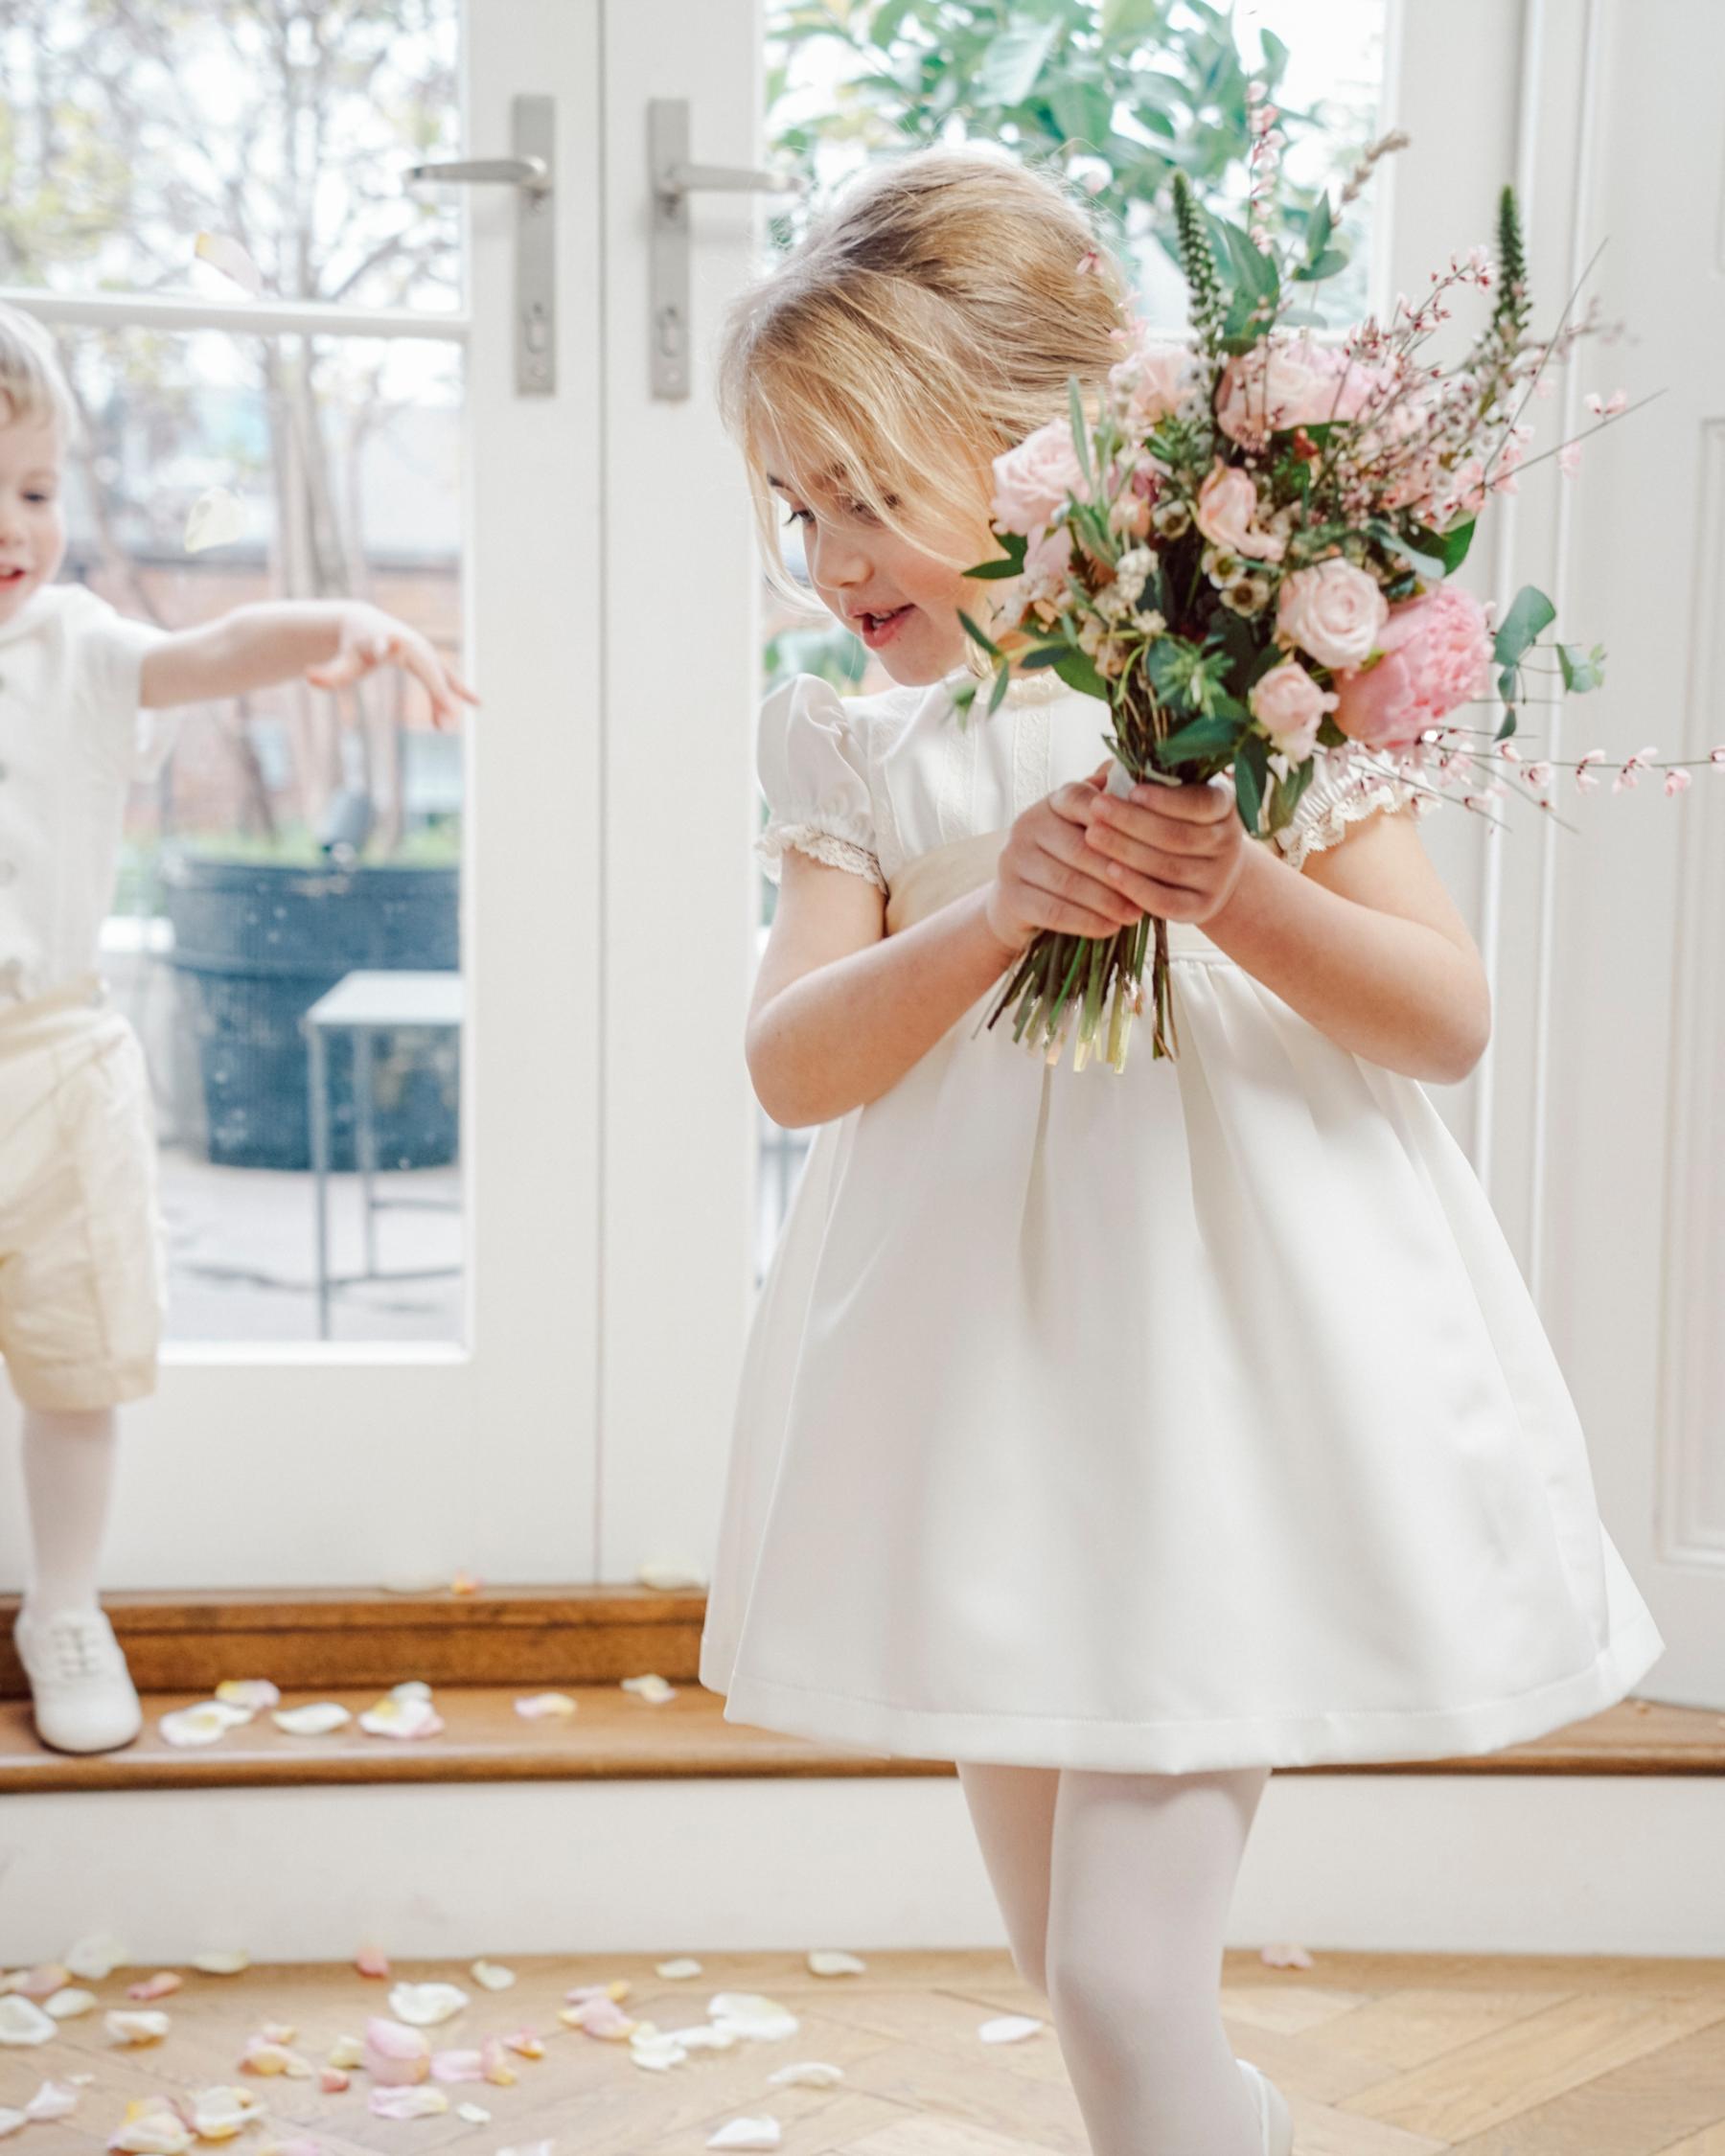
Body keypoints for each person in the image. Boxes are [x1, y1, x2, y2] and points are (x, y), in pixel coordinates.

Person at [696, 147, 1666, 2156]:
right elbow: (792, 1068)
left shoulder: (1243, 682)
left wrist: (1228, 890)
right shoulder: (855, 747)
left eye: (868, 493)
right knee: (1082, 1983)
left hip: (1228, 1405)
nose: (829, 555)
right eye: (797, 509)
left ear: (1034, 446)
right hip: (993, 1424)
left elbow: (1443, 1016)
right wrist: (992, 916)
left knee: (1133, 1987)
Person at [0, 301, 476, 1757]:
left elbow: (210, 650)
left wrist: (339, 625)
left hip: (53, 1061)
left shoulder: (73, 641)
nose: (16, 526)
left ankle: (64, 1601)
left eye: (31, 489)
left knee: (77, 1368)